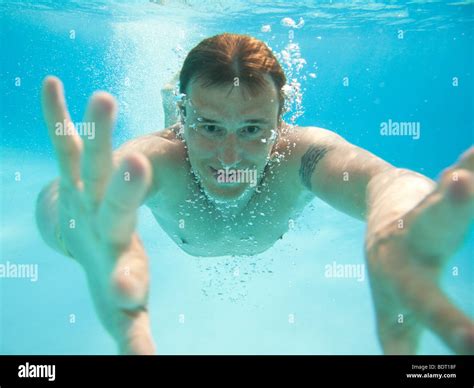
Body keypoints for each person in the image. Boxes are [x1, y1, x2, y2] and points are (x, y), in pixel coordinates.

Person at [36, 33, 474, 355]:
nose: (229, 156)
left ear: (280, 122)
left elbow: (384, 179)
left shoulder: (296, 153)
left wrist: (398, 213)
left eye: (252, 129)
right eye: (209, 127)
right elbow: (67, 196)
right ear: (185, 119)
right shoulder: (159, 158)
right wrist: (69, 225)